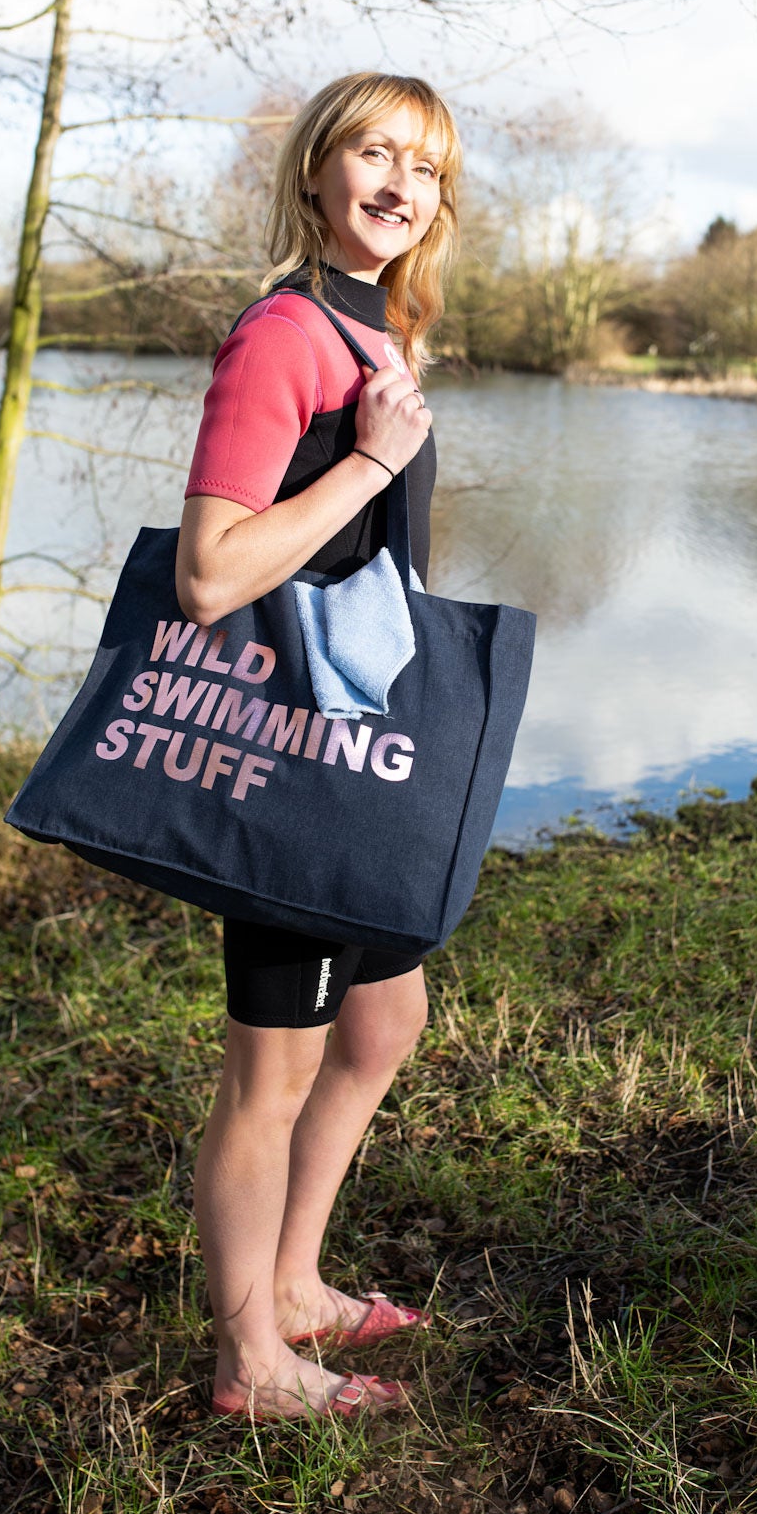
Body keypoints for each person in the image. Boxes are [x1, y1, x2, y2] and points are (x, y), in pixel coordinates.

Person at [175, 72, 461, 1422]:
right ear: (316, 169)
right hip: (289, 750)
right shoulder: (287, 334)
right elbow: (210, 574)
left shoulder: (377, 335)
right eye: (376, 150)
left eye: (428, 166)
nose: (402, 183)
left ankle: (293, 1282)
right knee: (270, 1071)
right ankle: (251, 1364)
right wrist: (369, 466)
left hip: (365, 750)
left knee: (384, 1017)